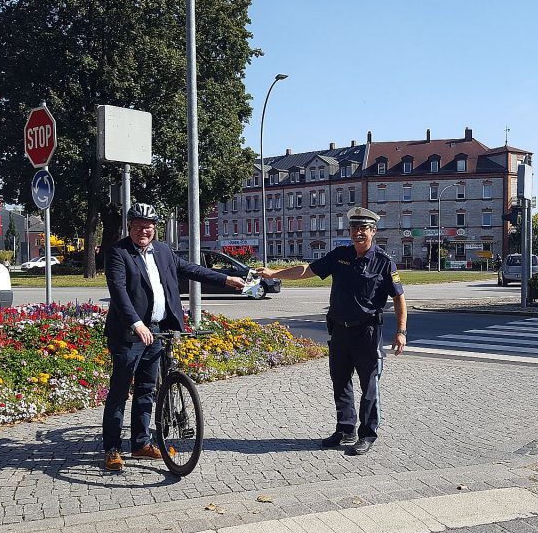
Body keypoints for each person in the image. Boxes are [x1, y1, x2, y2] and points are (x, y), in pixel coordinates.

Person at [102, 202, 246, 471]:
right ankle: (111, 448)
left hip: (157, 330)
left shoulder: (164, 252)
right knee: (120, 392)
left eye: (148, 226)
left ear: (155, 229)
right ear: (129, 227)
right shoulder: (118, 253)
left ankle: (141, 443)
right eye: (138, 226)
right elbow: (119, 292)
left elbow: (192, 270)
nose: (143, 231)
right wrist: (136, 324)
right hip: (129, 334)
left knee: (147, 390)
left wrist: (226, 279)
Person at [256, 206, 406, 456]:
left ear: (373, 231)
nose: (358, 233)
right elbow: (307, 270)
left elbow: (399, 298)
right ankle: (345, 428)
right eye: (354, 228)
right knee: (340, 381)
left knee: (369, 385)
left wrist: (401, 331)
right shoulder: (340, 255)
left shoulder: (384, 263)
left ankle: (367, 434)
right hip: (339, 331)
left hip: (367, 332)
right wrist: (274, 273)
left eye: (364, 229)